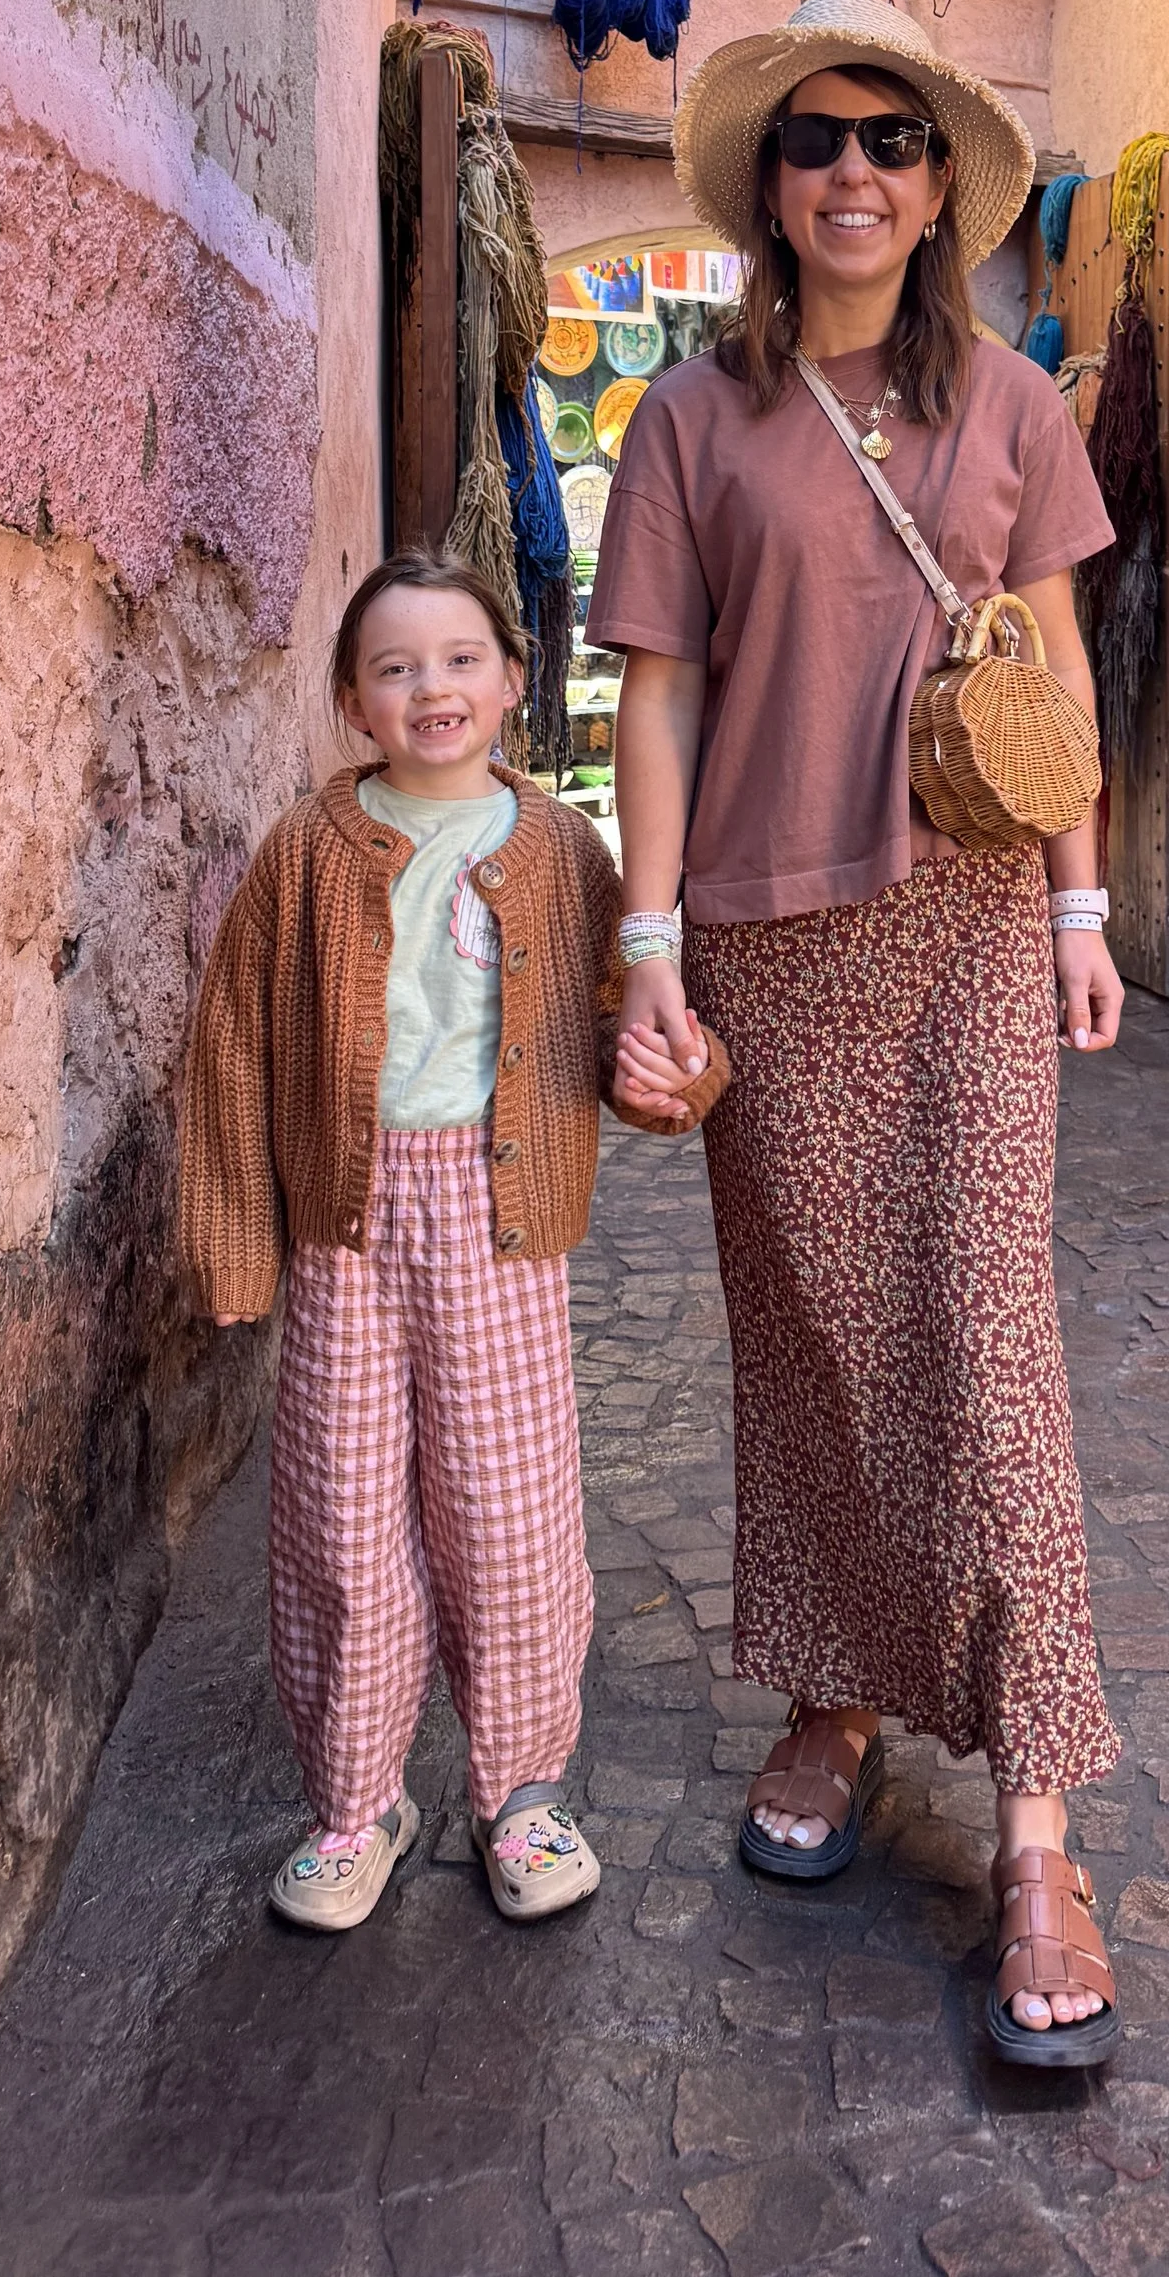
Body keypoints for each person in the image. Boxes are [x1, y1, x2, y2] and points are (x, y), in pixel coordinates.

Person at [593, 0, 1130, 2068]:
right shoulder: (685, 419)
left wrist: (1083, 899)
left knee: (984, 1344)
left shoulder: (1009, 403)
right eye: (813, 139)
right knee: (816, 1341)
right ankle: (829, 1695)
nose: (848, 170)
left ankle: (1032, 1822)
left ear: (934, 190)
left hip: (970, 925)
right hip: (763, 938)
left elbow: (1058, 672)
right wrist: (646, 944)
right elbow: (652, 689)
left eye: (887, 143)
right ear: (765, 183)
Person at [178, 552, 721, 1931]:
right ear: (354, 703)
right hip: (346, 1229)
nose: (434, 687)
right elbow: (234, 1049)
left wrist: (676, 1082)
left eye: (463, 658)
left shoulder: (561, 852)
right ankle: (357, 1804)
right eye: (397, 666)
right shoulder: (306, 852)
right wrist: (242, 1242)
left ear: (514, 683)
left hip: (501, 1224)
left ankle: (522, 1795)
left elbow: (629, 1021)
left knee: (508, 1512)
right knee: (345, 1519)